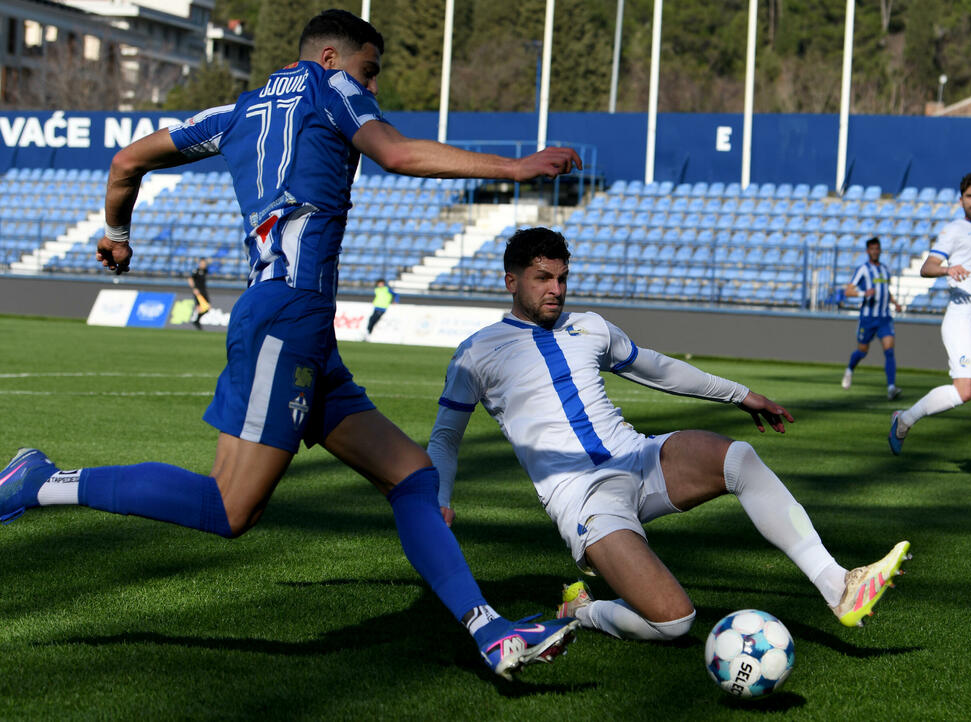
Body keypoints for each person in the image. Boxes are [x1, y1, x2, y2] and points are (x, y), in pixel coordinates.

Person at [0, 10, 583, 680]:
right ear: (332, 56)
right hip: (288, 316)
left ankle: (490, 633)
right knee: (228, 506)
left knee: (413, 475)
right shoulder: (327, 86)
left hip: (298, 326)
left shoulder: (238, 109)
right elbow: (394, 152)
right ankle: (41, 483)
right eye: (370, 73)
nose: (371, 90)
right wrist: (515, 168)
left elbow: (129, 159)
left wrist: (117, 233)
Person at [428, 227, 910, 643]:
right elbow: (446, 437)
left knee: (737, 459)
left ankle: (838, 585)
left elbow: (658, 368)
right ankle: (585, 611)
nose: (556, 289)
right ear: (511, 281)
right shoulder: (476, 354)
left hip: (637, 457)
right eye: (542, 279)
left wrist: (740, 395)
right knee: (675, 621)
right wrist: (440, 497)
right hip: (585, 501)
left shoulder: (589, 326)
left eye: (562, 278)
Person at [889, 171, 971, 455]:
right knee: (966, 391)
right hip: (963, 320)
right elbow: (928, 266)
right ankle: (904, 420)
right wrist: (947, 269)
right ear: (961, 199)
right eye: (970, 197)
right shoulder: (954, 231)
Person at [840, 237, 903, 400]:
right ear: (868, 251)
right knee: (862, 351)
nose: (875, 251)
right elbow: (848, 291)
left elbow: (885, 290)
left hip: (884, 318)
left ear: (880, 250)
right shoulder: (863, 269)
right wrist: (863, 293)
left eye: (877, 248)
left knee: (889, 350)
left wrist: (894, 302)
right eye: (872, 249)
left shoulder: (884, 269)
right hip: (868, 318)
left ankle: (891, 387)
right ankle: (849, 370)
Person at [188, 257, 212, 330]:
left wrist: (210, 261)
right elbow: (190, 279)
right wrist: (194, 288)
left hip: (204, 291)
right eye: (202, 263)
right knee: (199, 307)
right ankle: (195, 321)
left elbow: (211, 268)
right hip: (198, 291)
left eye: (204, 263)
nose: (203, 265)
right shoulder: (196, 271)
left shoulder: (205, 271)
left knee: (208, 307)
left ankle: (196, 320)